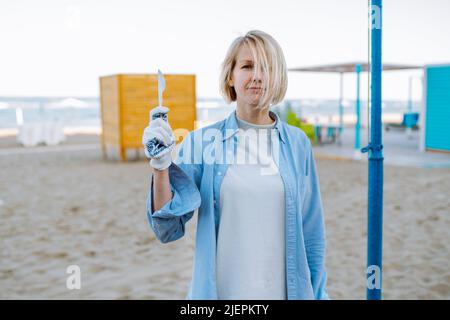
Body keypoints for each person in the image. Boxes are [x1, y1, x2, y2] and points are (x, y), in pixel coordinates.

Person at [142, 30, 329, 300]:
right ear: (231, 75)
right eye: (247, 66)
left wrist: (319, 294)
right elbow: (167, 228)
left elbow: (312, 234)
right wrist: (160, 165)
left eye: (267, 68)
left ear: (278, 77)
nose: (257, 76)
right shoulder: (201, 143)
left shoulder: (298, 144)